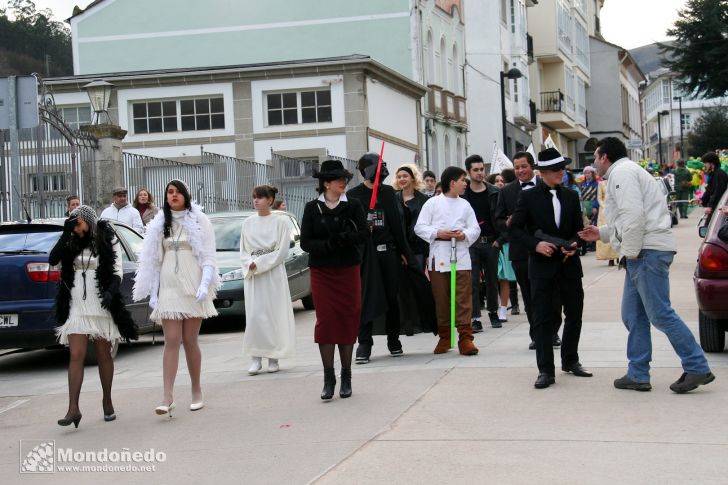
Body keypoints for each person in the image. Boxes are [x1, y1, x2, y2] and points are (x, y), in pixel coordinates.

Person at [579, 137, 714, 394]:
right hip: (644, 250)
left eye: (595, 158)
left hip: (644, 252)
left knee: (660, 313)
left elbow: (634, 217)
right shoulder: (627, 171)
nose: (594, 163)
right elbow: (631, 218)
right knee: (633, 314)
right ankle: (638, 373)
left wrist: (629, 254)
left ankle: (696, 365)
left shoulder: (621, 173)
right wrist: (603, 233)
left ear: (604, 157)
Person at [133, 179, 220, 416]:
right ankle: (167, 396)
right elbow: (154, 261)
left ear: (185, 195)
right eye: (169, 192)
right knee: (171, 340)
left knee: (190, 340)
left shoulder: (201, 220)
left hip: (193, 285)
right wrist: (154, 291)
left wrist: (204, 284)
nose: (173, 196)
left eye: (178, 192)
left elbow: (209, 256)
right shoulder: (160, 223)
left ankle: (196, 390)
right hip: (169, 285)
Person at [49, 205, 138, 427]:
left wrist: (109, 292)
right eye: (73, 223)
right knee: (76, 354)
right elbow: (53, 259)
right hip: (77, 302)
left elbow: (116, 271)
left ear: (89, 221)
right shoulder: (69, 240)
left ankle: (107, 400)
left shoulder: (106, 239)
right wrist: (65, 233)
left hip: (100, 302)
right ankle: (73, 409)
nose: (76, 227)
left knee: (103, 353)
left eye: (78, 222)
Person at [511, 148, 592, 389]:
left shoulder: (570, 196)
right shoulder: (527, 197)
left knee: (575, 314)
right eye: (557, 170)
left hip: (569, 266)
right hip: (542, 267)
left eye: (563, 169)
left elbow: (577, 229)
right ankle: (545, 370)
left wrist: (575, 245)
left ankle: (570, 360)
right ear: (543, 173)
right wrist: (536, 245)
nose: (562, 173)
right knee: (544, 318)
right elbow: (515, 229)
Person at [300, 160, 368, 400]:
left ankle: (346, 375)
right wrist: (328, 244)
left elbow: (363, 235)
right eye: (338, 179)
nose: (343, 182)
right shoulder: (311, 208)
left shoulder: (354, 206)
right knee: (326, 320)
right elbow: (305, 242)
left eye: (345, 179)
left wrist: (348, 238)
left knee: (349, 317)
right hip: (322, 272)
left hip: (348, 269)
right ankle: (329, 377)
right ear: (326, 183)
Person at [347, 153, 415, 364]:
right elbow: (349, 227)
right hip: (366, 255)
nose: (383, 169)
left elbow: (396, 225)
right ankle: (364, 343)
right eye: (379, 166)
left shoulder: (388, 193)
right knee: (365, 297)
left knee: (392, 296)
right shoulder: (353, 195)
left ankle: (394, 340)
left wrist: (405, 253)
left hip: (389, 253)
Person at [415, 166, 480, 356]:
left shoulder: (465, 205)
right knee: (442, 299)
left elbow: (475, 229)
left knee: (463, 299)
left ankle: (465, 338)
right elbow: (420, 227)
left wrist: (463, 235)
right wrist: (438, 233)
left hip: (460, 257)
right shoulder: (432, 203)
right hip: (439, 256)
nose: (465, 183)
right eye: (462, 180)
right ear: (452, 183)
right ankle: (445, 337)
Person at [240, 185, 296, 375]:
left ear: (270, 200)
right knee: (255, 315)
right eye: (254, 197)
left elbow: (282, 251)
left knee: (273, 314)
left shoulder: (280, 222)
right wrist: (249, 263)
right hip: (254, 275)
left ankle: (274, 356)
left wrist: (262, 262)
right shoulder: (248, 223)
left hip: (272, 273)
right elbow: (243, 250)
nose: (256, 201)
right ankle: (255, 358)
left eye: (260, 198)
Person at [462, 155, 502, 330]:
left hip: (491, 242)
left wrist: (500, 240)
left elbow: (502, 217)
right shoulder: (463, 194)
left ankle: (493, 313)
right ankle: (475, 318)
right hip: (471, 242)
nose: (479, 173)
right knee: (472, 281)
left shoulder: (494, 192)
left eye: (481, 169)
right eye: (475, 170)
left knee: (492, 280)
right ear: (468, 172)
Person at [393, 164, 430, 269]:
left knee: (418, 280)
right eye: (399, 177)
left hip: (419, 249)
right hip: (399, 249)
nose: (402, 179)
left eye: (405, 176)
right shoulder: (393, 199)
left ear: (413, 178)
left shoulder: (424, 200)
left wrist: (428, 253)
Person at [699, 152, 728, 222]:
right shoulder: (713, 173)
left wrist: (710, 206)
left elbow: (718, 192)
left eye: (705, 163)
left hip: (719, 207)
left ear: (711, 163)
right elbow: (709, 190)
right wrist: (702, 199)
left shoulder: (719, 174)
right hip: (716, 207)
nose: (704, 165)